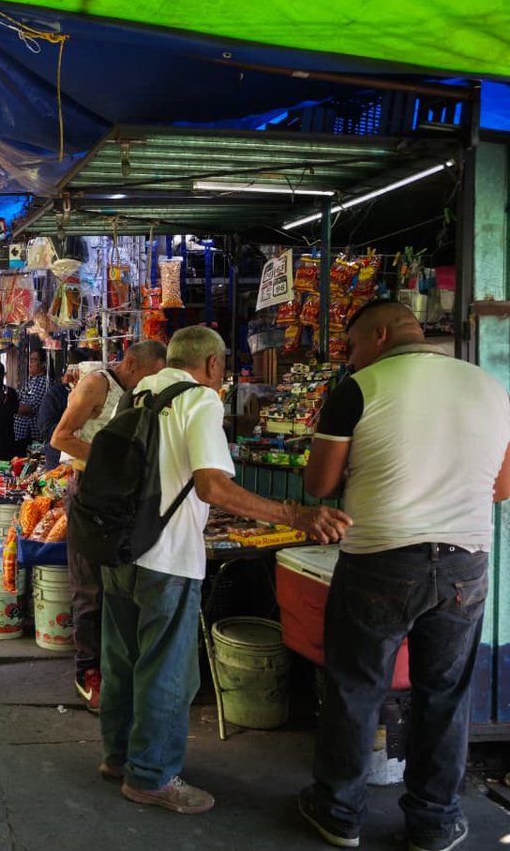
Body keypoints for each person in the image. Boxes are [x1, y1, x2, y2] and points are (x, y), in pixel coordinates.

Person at [97, 325, 350, 816]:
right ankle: (151, 776)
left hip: (120, 549)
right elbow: (213, 486)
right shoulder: (201, 401)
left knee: (123, 660)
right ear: (213, 364)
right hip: (166, 556)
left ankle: (120, 756)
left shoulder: (140, 392)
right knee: (168, 672)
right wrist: (294, 515)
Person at [298, 299, 510, 851]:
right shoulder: (490, 386)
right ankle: (435, 821)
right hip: (465, 561)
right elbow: (503, 486)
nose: (349, 358)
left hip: (381, 559)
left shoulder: (359, 389)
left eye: (352, 346)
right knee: (444, 694)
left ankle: (339, 812)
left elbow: (319, 486)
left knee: (355, 688)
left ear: (382, 334)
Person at [50, 341, 167, 712]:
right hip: (88, 492)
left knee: (118, 585)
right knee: (89, 588)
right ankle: (87, 673)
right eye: (151, 374)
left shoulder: (141, 392)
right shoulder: (97, 385)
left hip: (121, 497)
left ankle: (115, 666)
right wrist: (116, 462)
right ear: (131, 363)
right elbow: (61, 437)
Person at [13, 347, 50, 454]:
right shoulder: (30, 381)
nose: (30, 363)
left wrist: (10, 407)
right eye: (30, 360)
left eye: (34, 360)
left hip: (32, 436)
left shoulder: (44, 382)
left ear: (43, 364)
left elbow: (31, 408)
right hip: (21, 434)